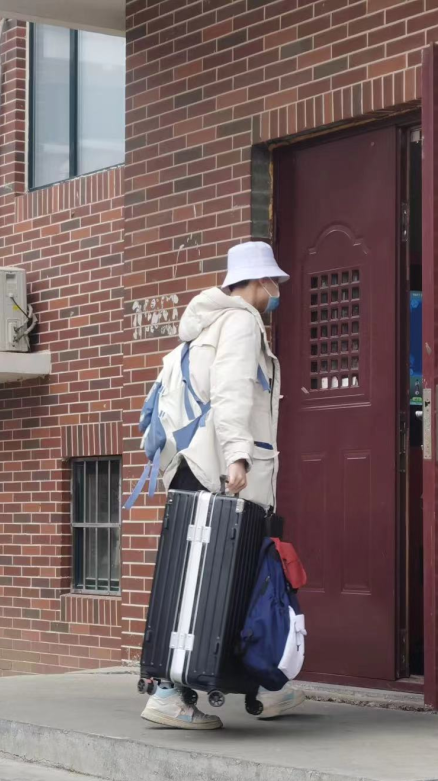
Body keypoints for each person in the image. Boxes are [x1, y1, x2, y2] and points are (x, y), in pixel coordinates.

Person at [140, 240, 306, 730]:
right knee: (212, 581)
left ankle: (266, 687)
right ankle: (169, 693)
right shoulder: (239, 323)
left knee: (218, 579)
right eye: (271, 282)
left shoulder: (197, 332)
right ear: (254, 283)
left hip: (191, 467)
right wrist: (237, 456)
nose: (275, 292)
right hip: (221, 470)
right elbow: (232, 391)